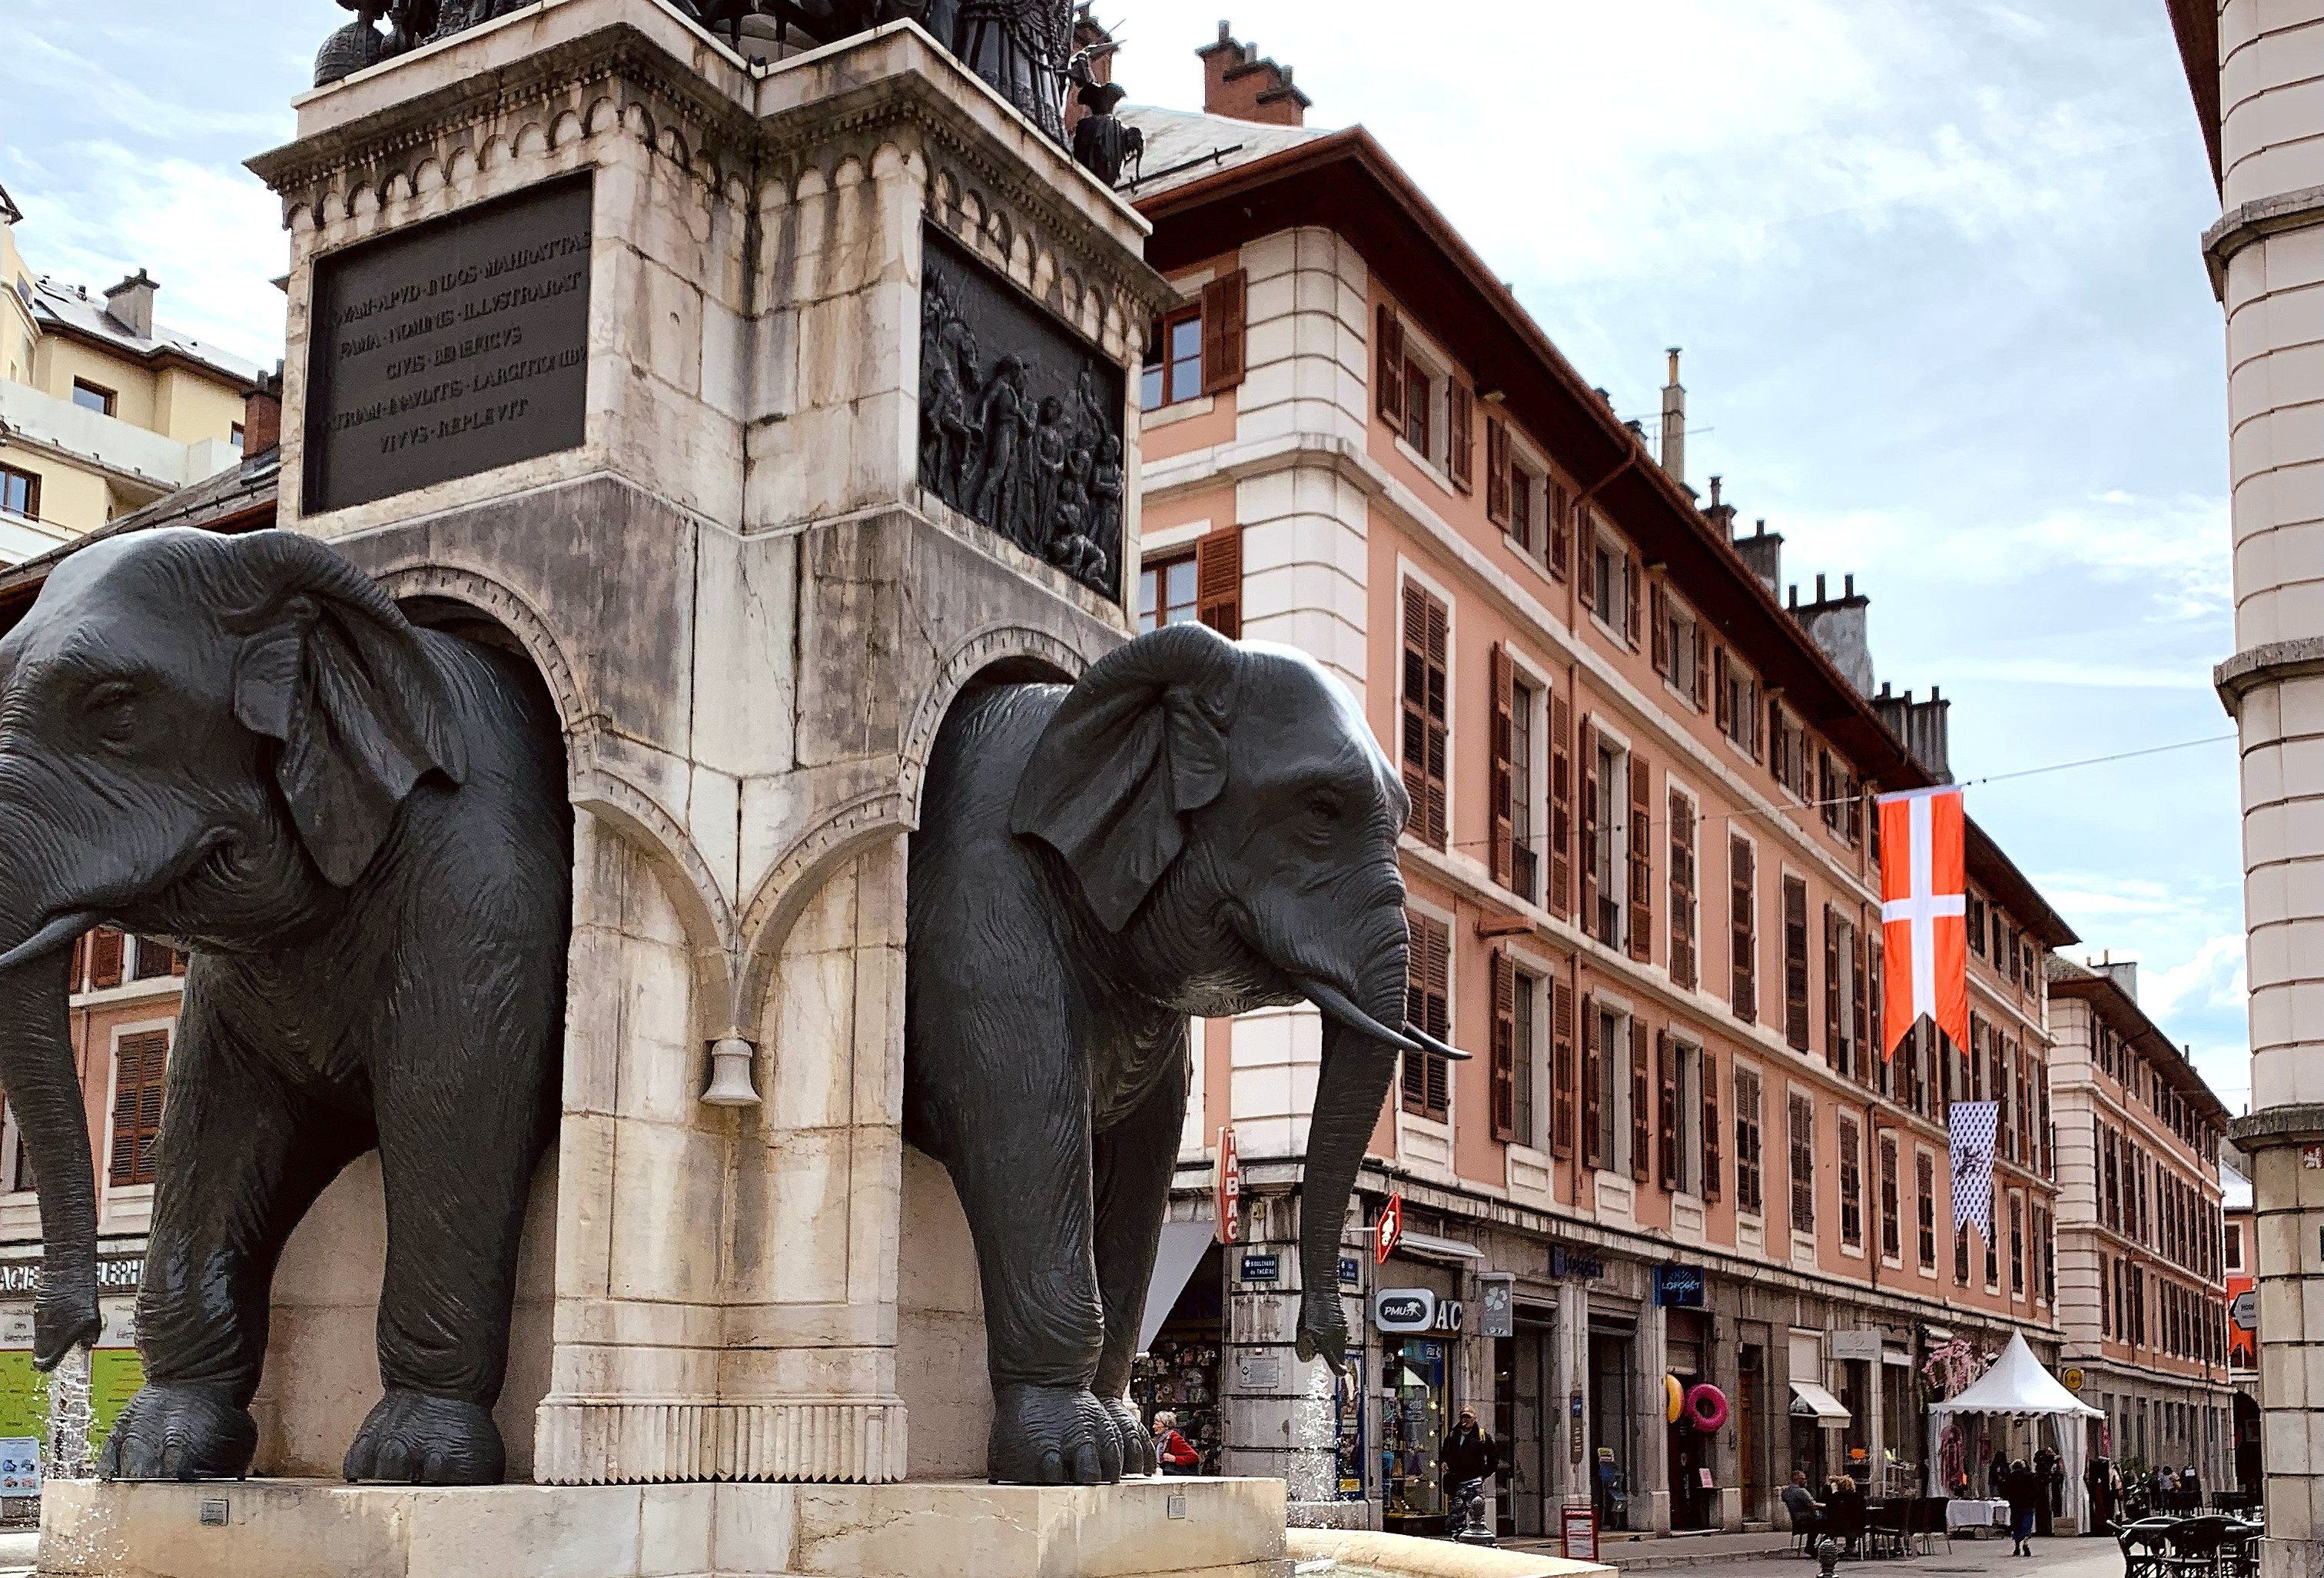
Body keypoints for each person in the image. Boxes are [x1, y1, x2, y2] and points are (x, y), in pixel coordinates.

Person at [1439, 1405, 1499, 1537]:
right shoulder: (1453, 1434)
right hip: (1456, 1481)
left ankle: (1477, 1538)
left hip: (1474, 1482)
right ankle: (1458, 1536)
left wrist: (1483, 1475)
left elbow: (1493, 1458)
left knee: (1476, 1513)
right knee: (1456, 1514)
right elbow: (1444, 1451)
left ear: (1474, 1418)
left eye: (1468, 1417)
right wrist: (1444, 1462)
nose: (1466, 1420)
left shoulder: (1481, 1435)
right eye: (1463, 1417)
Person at [2005, 1457, 2040, 1556]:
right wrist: (2033, 1499)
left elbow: (2005, 1489)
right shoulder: (2028, 1476)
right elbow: (2036, 1489)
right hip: (2027, 1504)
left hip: (2015, 1505)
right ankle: (2026, 1542)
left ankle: (2017, 1547)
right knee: (2026, 1524)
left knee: (2016, 1525)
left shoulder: (2010, 1477)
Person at [1783, 1467, 1824, 1546]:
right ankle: (1813, 1546)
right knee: (1827, 1523)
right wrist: (1826, 1505)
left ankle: (1813, 1545)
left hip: (1797, 1522)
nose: (1805, 1481)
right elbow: (1813, 1504)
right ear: (1798, 1479)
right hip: (1807, 1521)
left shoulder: (1787, 1492)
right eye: (1803, 1479)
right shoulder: (1801, 1491)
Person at [1151, 1410, 1198, 1476]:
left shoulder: (1175, 1438)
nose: (1153, 1427)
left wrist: (1174, 1458)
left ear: (1166, 1426)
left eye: (1156, 1424)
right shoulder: (1160, 1440)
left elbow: (1194, 1457)